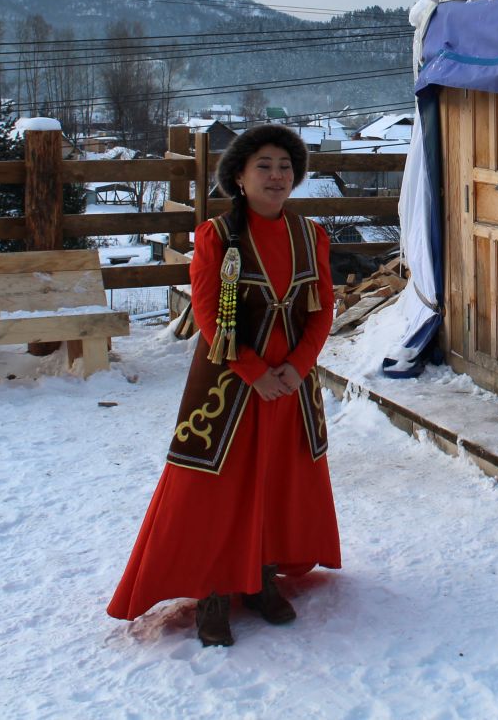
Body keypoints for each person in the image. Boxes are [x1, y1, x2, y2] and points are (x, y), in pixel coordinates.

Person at [107, 125, 341, 647]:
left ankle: (260, 576)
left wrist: (298, 368)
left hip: (291, 388)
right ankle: (213, 589)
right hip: (230, 388)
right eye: (264, 165)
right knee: (218, 488)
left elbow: (322, 310)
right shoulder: (217, 236)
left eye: (285, 166)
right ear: (238, 175)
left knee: (277, 480)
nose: (276, 176)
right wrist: (257, 374)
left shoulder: (312, 236)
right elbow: (211, 315)